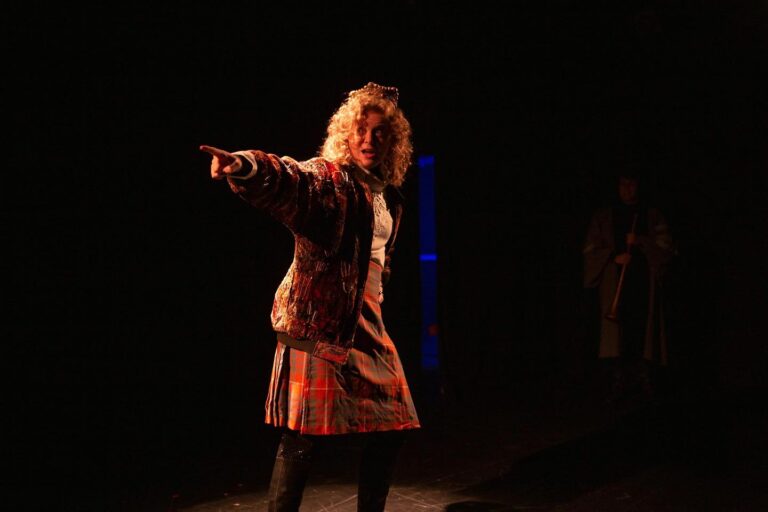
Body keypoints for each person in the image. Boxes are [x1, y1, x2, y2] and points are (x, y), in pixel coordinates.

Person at [200, 82, 420, 512]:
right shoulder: (330, 180)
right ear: (345, 134)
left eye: (379, 132)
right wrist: (243, 165)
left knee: (393, 425)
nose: (369, 140)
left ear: (392, 141)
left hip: (368, 321)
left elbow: (381, 259)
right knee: (304, 435)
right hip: (321, 320)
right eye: (360, 130)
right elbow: (288, 179)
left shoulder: (390, 199)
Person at [583, 166, 675, 405]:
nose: (627, 189)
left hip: (644, 285)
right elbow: (590, 250)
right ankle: (617, 385)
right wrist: (614, 256)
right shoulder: (604, 216)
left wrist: (642, 241)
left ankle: (645, 383)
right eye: (623, 184)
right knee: (616, 337)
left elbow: (667, 250)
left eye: (632, 184)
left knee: (643, 334)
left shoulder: (651, 215)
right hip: (615, 286)